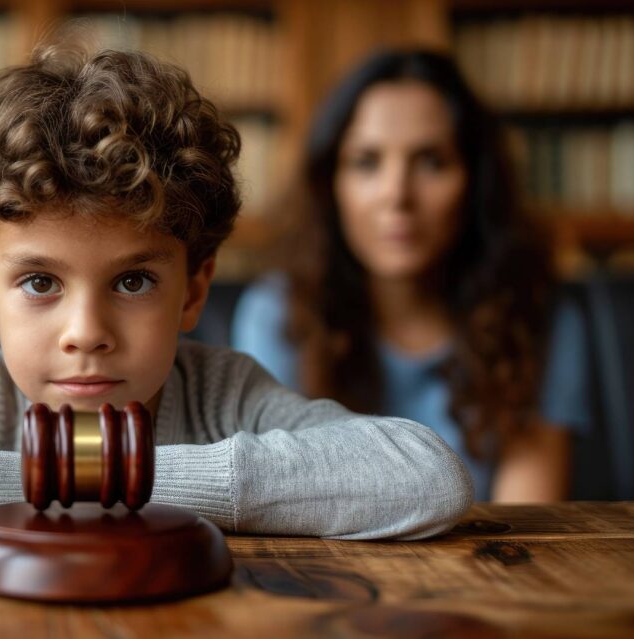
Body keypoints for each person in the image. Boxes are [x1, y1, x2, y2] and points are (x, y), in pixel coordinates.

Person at [0, 44, 472, 539]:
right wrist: (56, 471)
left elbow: (425, 477)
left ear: (194, 288)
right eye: (41, 282)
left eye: (134, 280)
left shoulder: (222, 394)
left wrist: (108, 475)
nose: (87, 330)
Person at [232, 49, 589, 503]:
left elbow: (525, 525)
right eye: (366, 162)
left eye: (431, 162)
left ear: (475, 182)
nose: (396, 194)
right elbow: (285, 504)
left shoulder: (540, 314)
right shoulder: (277, 313)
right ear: (330, 184)